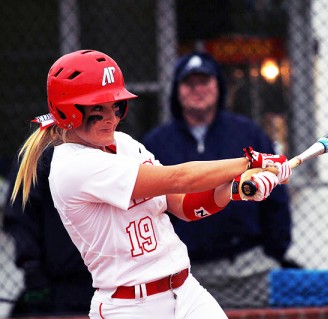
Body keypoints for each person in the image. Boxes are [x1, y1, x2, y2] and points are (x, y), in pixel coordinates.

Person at [10, 49, 292, 319]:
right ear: (67, 111)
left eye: (117, 106)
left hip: (186, 292)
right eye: (98, 109)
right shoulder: (74, 166)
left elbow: (184, 205)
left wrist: (234, 189)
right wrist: (251, 163)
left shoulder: (123, 143)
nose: (111, 118)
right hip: (132, 306)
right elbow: (178, 177)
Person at [142, 51, 299, 308]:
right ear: (177, 91)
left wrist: (274, 252)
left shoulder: (247, 133)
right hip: (183, 272)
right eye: (189, 83)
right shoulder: (157, 142)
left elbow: (277, 201)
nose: (198, 89)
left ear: (218, 86)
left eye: (205, 81)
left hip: (247, 270)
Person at [4, 146, 95, 316]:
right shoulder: (40, 153)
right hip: (57, 283)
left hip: (104, 278)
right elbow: (20, 216)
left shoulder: (114, 147)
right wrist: (31, 266)